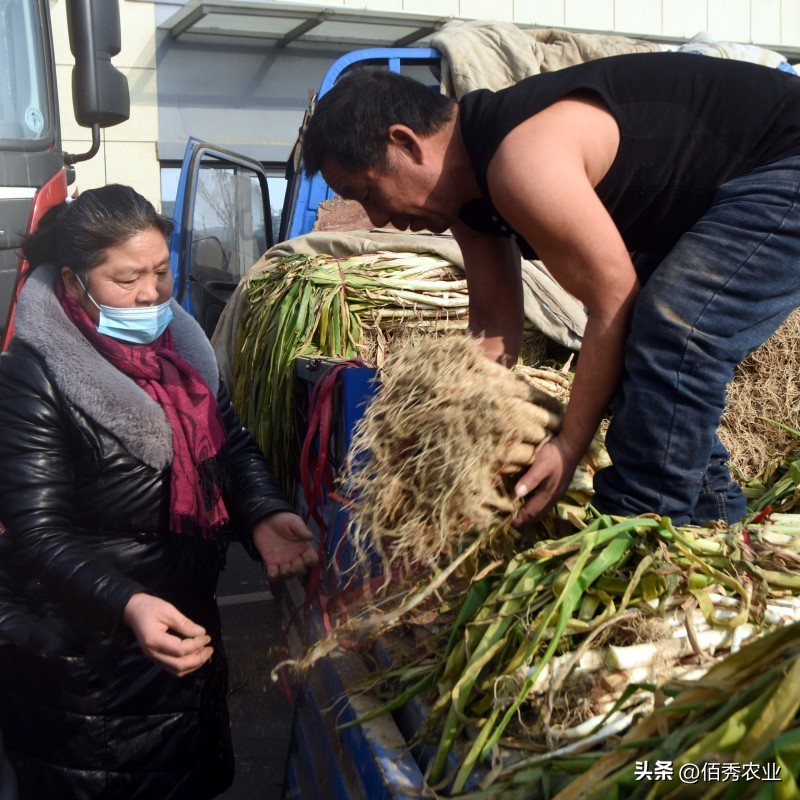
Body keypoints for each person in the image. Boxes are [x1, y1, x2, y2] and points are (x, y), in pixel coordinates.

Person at [301, 53, 800, 527]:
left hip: (787, 158)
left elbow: (611, 304)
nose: (379, 218)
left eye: (367, 193)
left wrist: (567, 446)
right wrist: (451, 424)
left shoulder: (521, 159)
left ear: (405, 143)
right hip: (727, 188)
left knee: (676, 328)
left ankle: (638, 531)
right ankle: (715, 524)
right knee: (654, 354)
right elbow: (495, 332)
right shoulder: (469, 200)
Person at [0, 184, 317, 798]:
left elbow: (228, 444)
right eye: (126, 280)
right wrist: (128, 603)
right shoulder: (30, 375)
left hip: (181, 631)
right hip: (87, 657)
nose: (150, 293)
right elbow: (37, 534)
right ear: (73, 283)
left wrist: (262, 513)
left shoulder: (182, 348)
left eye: (161, 271)